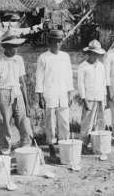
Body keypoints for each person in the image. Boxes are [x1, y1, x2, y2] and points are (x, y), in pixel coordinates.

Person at [36, 29, 73, 162]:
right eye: (55, 41)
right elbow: (39, 78)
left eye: (59, 41)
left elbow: (69, 76)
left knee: (64, 120)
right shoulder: (43, 57)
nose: (57, 44)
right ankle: (51, 144)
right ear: (50, 42)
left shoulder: (65, 56)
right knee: (50, 121)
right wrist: (40, 95)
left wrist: (70, 93)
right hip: (49, 93)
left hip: (63, 92)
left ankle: (64, 145)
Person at [0, 30, 33, 155]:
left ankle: (25, 147)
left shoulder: (19, 59)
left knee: (23, 121)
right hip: (3, 91)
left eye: (16, 46)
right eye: (12, 46)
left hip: (17, 93)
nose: (15, 49)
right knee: (5, 123)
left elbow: (22, 82)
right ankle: (5, 149)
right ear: (5, 47)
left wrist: (27, 104)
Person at [77, 40, 106, 153]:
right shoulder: (83, 66)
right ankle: (83, 144)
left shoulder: (101, 66)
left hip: (99, 97)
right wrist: (83, 99)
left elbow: (103, 82)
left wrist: (104, 97)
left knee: (99, 121)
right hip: (89, 98)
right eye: (93, 54)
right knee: (87, 122)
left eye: (97, 54)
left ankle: (97, 143)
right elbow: (80, 84)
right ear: (89, 53)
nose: (96, 56)